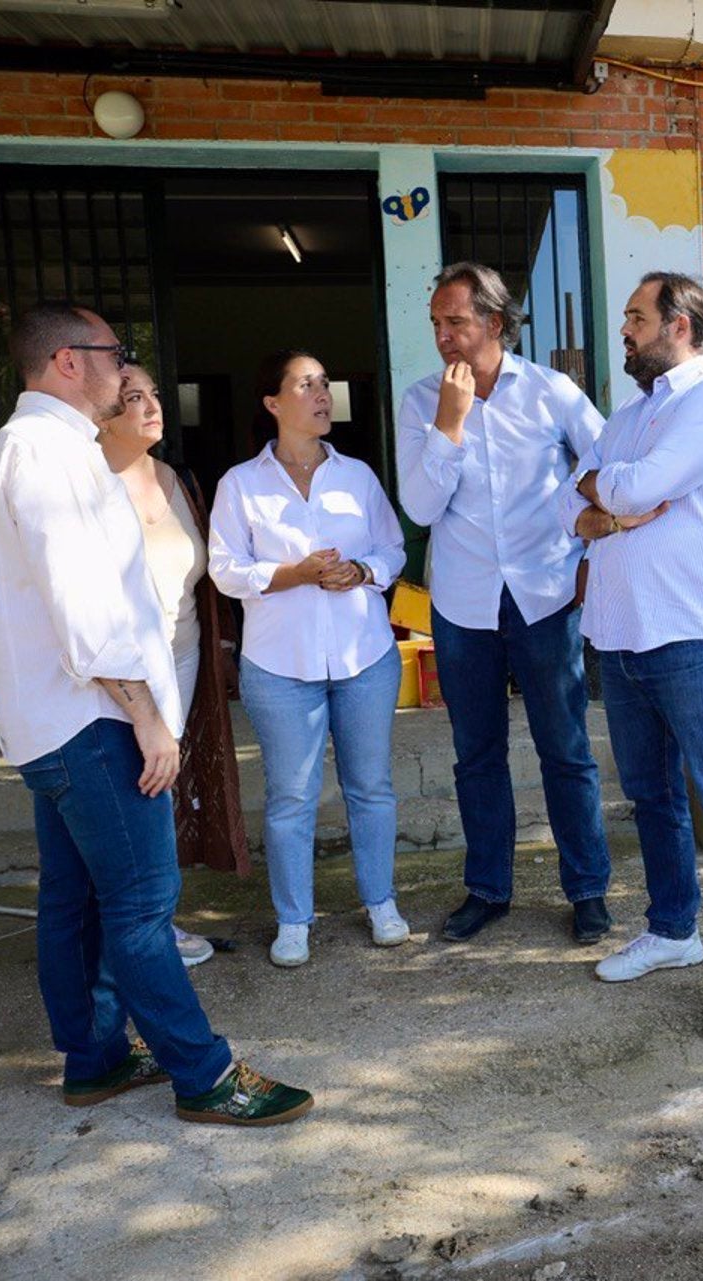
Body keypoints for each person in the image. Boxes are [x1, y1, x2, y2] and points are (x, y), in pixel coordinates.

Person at [0, 300, 311, 1125]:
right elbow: (84, 610)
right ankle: (206, 1073)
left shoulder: (43, 447)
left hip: (56, 718)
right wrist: (147, 714)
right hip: (91, 721)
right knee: (142, 904)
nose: (126, 369)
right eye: (114, 353)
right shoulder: (46, 454)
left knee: (75, 899)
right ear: (66, 363)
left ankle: (95, 1057)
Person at [562, 272, 703, 1039]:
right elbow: (577, 498)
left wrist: (612, 501)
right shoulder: (630, 413)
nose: (624, 330)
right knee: (651, 798)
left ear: (681, 325)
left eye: (636, 317)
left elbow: (630, 490)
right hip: (621, 632)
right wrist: (607, 501)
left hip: (690, 633)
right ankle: (672, 931)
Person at [396, 262, 615, 945]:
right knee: (477, 754)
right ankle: (488, 888)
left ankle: (588, 890)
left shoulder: (551, 392)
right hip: (464, 606)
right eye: (435, 323)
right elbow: (421, 507)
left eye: (455, 321)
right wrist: (450, 426)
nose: (443, 337)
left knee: (566, 750)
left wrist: (588, 546)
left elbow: (606, 466)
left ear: (494, 323)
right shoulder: (421, 402)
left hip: (546, 595)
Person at [209, 350, 410, 968]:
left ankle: (381, 902)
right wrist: (291, 574)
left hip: (364, 657)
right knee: (291, 797)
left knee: (370, 788)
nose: (322, 395)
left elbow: (393, 548)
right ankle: (294, 918)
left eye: (326, 384)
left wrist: (363, 570)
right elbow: (223, 569)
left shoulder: (358, 477)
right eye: (306, 385)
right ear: (273, 404)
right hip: (279, 665)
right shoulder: (241, 484)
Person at [96, 365, 250, 968]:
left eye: (153, 394)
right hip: (118, 670)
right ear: (102, 416)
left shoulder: (177, 480)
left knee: (160, 792)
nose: (151, 406)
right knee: (128, 793)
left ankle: (154, 924)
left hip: (182, 656)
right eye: (132, 398)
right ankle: (137, 933)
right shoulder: (89, 487)